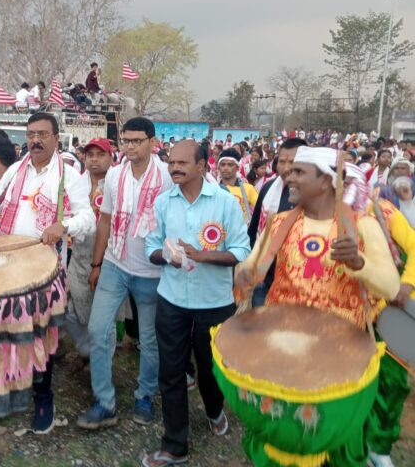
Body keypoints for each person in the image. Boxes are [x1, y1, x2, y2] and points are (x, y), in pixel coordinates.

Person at [235, 146, 401, 466]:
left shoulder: (362, 226)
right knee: (283, 431)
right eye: (291, 170)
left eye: (299, 172)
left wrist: (359, 263)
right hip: (284, 351)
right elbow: (252, 268)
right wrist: (243, 273)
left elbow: (390, 286)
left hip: (340, 357)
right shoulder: (279, 223)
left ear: (326, 181)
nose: (289, 175)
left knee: (333, 440)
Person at [0, 112, 96, 433]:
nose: (35, 140)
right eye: (31, 135)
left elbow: (88, 219)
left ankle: (43, 399)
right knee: (5, 333)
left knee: (40, 337)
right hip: (9, 267)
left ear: (56, 138)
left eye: (42, 134)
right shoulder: (16, 170)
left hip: (45, 272)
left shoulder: (70, 176)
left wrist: (63, 225)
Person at [142, 140, 250, 466]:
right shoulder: (163, 202)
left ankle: (215, 410)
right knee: (171, 372)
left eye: (182, 163)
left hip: (214, 303)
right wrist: (166, 256)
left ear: (202, 166)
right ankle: (175, 445)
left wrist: (203, 255)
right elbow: (151, 246)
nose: (174, 168)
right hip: (172, 300)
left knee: (210, 369)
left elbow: (241, 251)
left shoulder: (226, 203)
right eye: (171, 162)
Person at [77, 117, 172, 430]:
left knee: (149, 340)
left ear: (152, 143)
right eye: (126, 141)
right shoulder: (115, 175)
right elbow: (105, 220)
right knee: (97, 330)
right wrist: (97, 264)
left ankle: (145, 395)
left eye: (136, 141)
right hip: (115, 264)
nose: (130, 147)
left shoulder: (167, 176)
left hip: (152, 272)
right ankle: (104, 402)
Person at [65, 138, 114, 373]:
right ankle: (86, 350)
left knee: (104, 316)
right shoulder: (76, 183)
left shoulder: (117, 184)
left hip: (109, 257)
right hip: (78, 253)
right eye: (90, 155)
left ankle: (102, 364)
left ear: (111, 158)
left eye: (100, 154)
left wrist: (102, 262)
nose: (94, 159)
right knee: (71, 311)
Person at [217, 148, 258, 224]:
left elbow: (261, 210)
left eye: (230, 165)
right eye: (223, 165)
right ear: (218, 167)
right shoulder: (214, 189)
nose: (226, 168)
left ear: (237, 167)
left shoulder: (248, 188)